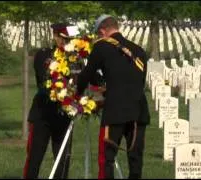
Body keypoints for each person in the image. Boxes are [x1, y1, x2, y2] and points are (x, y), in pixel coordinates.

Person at [76, 14, 151, 179]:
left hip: (116, 110)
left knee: (107, 159)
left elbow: (87, 74)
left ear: (102, 31)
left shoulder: (101, 46)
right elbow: (139, 82)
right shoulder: (138, 50)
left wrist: (77, 94)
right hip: (138, 110)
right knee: (135, 159)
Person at [22, 23, 75, 179]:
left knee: (62, 159)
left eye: (67, 39)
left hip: (64, 115)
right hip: (42, 113)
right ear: (55, 36)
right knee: (34, 157)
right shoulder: (44, 54)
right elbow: (44, 76)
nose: (64, 41)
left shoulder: (75, 58)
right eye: (61, 38)